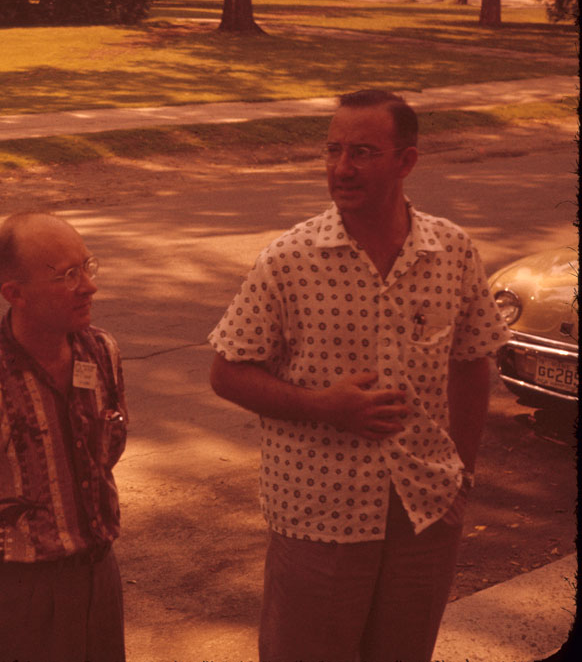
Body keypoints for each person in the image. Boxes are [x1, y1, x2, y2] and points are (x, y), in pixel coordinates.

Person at [207, 90, 508, 662]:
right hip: (319, 514)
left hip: (425, 509)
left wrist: (461, 477)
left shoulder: (452, 251)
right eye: (333, 150)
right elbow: (227, 372)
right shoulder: (289, 259)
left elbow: (472, 362)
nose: (342, 168)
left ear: (406, 160)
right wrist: (323, 406)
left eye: (363, 152)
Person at [0, 212, 128, 662]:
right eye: (68, 276)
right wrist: (10, 567)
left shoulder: (101, 352)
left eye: (87, 267)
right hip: (19, 601)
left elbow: (106, 454)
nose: (89, 286)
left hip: (99, 580)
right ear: (14, 294)